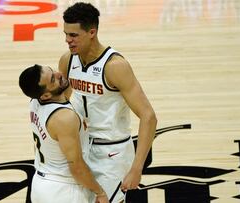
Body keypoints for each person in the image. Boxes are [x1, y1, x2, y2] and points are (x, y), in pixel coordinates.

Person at [58, 2, 157, 202]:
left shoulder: (115, 66)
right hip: (82, 147)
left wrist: (137, 168)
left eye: (74, 35)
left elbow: (149, 117)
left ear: (92, 32)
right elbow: (63, 105)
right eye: (66, 34)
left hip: (113, 151)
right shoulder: (67, 60)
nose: (68, 40)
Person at [19, 64, 109, 203]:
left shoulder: (34, 101)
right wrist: (100, 192)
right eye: (53, 79)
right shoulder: (64, 118)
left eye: (52, 70)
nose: (59, 74)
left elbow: (63, 95)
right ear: (46, 95)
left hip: (39, 185)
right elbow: (77, 167)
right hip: (64, 191)